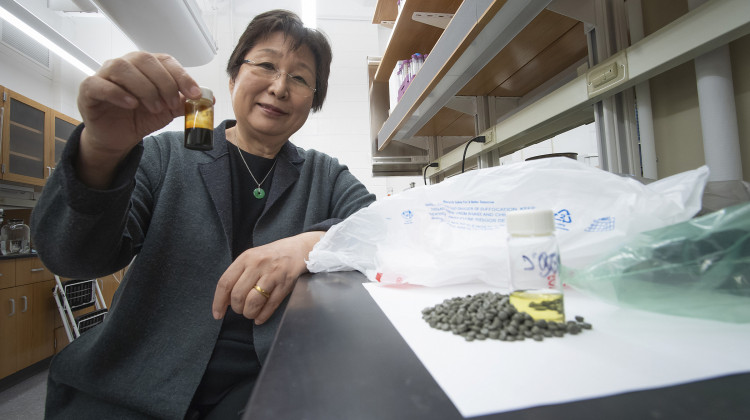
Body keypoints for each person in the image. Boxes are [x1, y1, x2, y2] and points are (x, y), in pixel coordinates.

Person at [31, 9, 375, 419]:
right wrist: (102, 149)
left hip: (263, 383)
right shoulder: (165, 156)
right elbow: (73, 257)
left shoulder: (325, 174)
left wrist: (307, 245)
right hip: (134, 382)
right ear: (233, 78)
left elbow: (379, 229)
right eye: (266, 65)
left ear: (312, 101)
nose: (280, 87)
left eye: (300, 78)